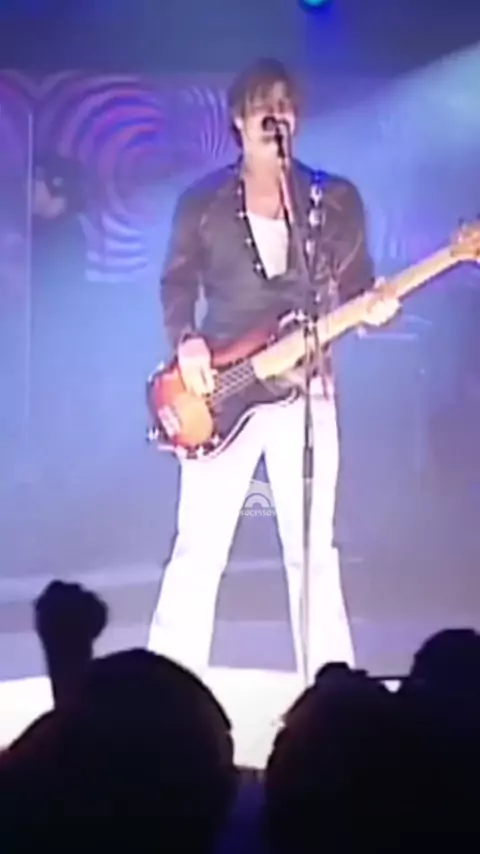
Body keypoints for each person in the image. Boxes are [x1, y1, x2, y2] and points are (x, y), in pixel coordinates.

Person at [148, 59, 399, 681]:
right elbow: (175, 283)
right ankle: (166, 688)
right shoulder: (202, 202)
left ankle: (331, 692)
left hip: (306, 388)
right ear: (238, 119)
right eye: (262, 105)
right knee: (199, 547)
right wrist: (186, 341)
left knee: (313, 550)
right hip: (222, 389)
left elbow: (357, 287)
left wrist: (373, 310)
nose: (274, 116)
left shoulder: (333, 199)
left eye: (284, 105)